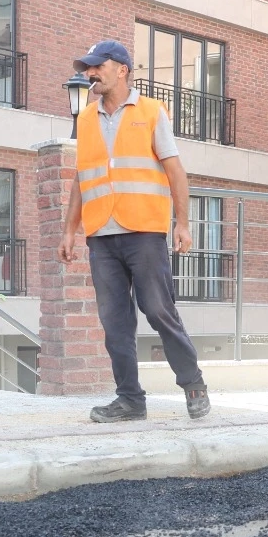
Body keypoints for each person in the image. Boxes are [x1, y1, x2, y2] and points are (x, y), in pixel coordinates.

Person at [58, 40, 210, 423]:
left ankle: (193, 384)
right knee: (114, 320)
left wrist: (183, 222)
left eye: (98, 66)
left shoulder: (151, 112)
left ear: (121, 69)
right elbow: (81, 178)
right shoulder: (86, 119)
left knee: (158, 309)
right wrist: (69, 231)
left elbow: (175, 170)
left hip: (143, 228)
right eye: (88, 67)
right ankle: (130, 400)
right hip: (101, 235)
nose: (90, 73)